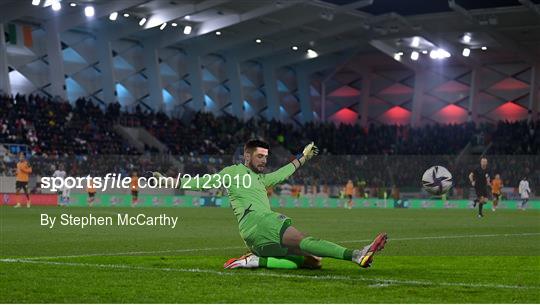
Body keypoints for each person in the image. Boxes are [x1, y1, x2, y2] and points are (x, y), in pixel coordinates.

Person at [153, 140, 387, 270]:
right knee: (306, 240)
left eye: (265, 157)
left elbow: (283, 172)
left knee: (311, 263)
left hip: (253, 238)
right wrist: (169, 180)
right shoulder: (233, 172)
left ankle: (256, 260)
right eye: (259, 157)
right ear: (247, 156)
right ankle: (358, 255)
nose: (264, 161)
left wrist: (303, 157)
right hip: (260, 221)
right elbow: (203, 182)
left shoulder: (262, 178)